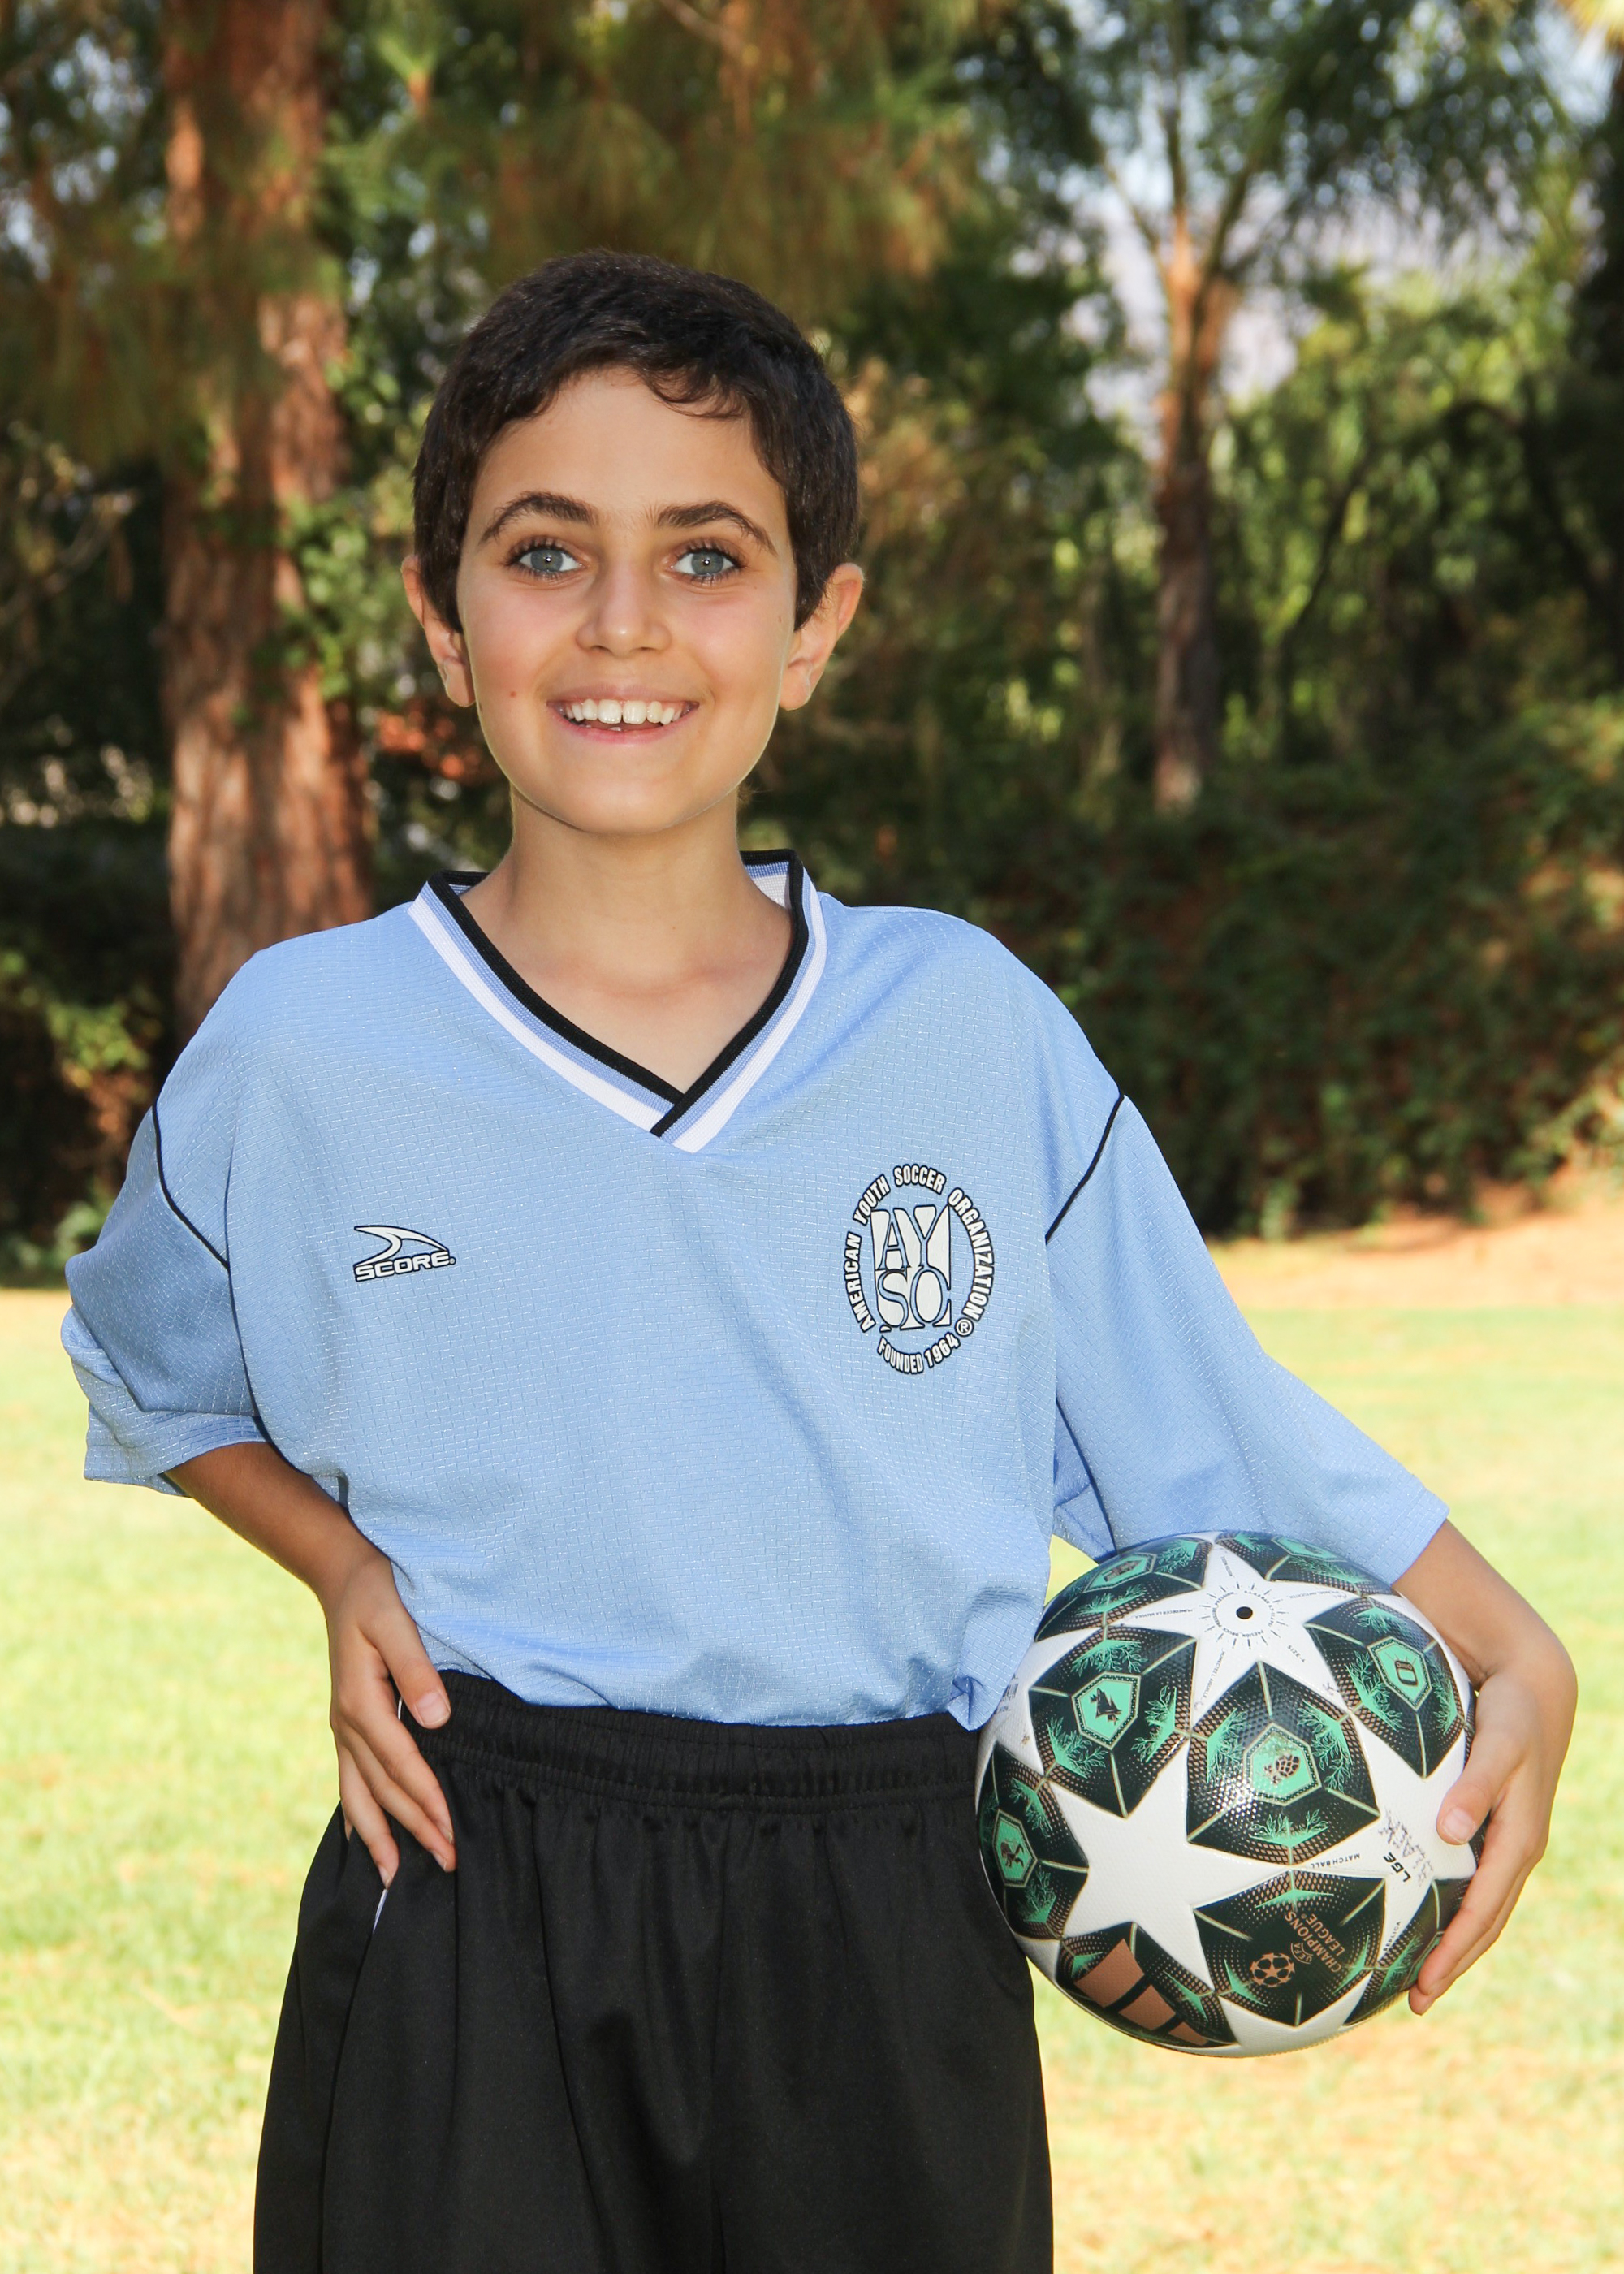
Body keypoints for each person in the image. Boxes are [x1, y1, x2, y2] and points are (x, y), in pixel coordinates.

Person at [62, 250, 1575, 2274]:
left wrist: (1512, 1642)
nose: (621, 622)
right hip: (475, 1874)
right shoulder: (306, 1043)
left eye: (705, 556)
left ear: (814, 628)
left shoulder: (965, 1029)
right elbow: (153, 1366)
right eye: (543, 551)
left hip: (892, 1903)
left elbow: (1202, 1421)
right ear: (440, 613)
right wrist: (338, 1565)